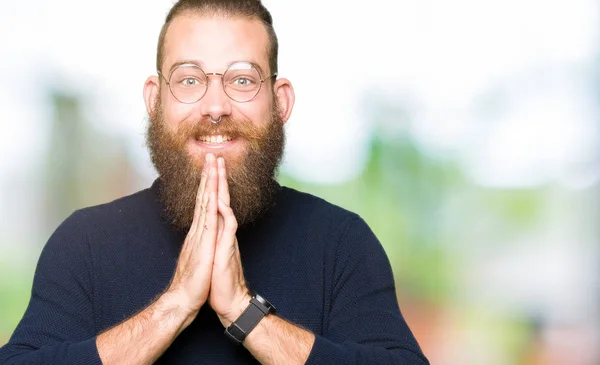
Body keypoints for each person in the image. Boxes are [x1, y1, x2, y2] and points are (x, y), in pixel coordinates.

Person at [0, 0, 429, 364]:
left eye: (242, 79)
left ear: (280, 102)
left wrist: (243, 312)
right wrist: (175, 307)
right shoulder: (84, 242)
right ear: (155, 100)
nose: (216, 106)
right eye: (190, 79)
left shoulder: (342, 243)